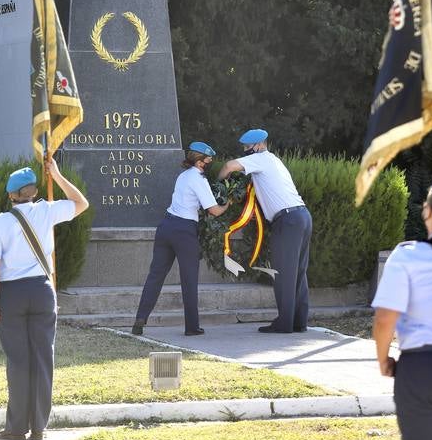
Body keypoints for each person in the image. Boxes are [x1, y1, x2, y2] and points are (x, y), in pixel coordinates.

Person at [0, 160, 89, 440]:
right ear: (33, 191)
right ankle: (40, 426)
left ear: (11, 195)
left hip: (11, 294)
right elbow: (81, 203)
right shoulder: (46, 211)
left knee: (18, 361)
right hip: (42, 291)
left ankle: (16, 427)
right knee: (43, 359)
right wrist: (58, 175)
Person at [131, 141, 232, 337]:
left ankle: (139, 321)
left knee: (155, 276)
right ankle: (192, 327)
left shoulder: (182, 176)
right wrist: (228, 203)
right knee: (189, 279)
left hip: (165, 227)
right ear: (201, 162)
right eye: (209, 159)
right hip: (184, 231)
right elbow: (213, 211)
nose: (211, 162)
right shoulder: (199, 179)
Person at [217, 128, 312, 334]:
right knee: (298, 272)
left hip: (287, 220)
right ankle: (298, 322)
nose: (245, 150)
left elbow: (228, 166)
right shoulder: (274, 161)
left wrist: (219, 184)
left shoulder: (261, 159)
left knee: (284, 273)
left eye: (247, 146)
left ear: (259, 145)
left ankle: (284, 324)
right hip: (302, 216)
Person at [371, 179, 432, 440]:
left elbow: (385, 318)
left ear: (427, 212)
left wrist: (384, 359)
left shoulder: (408, 256)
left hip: (421, 367)